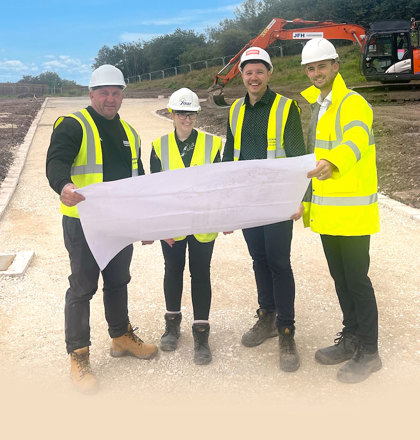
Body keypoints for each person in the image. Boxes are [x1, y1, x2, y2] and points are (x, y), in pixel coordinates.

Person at [46, 64, 158, 393]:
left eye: (116, 92)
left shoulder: (130, 133)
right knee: (82, 289)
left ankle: (121, 336)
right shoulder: (73, 125)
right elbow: (56, 161)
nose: (111, 98)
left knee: (118, 281)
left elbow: (137, 183)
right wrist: (63, 185)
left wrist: (144, 221)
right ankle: (78, 355)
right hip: (83, 223)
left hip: (118, 223)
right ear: (91, 94)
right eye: (104, 92)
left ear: (123, 95)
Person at [300, 38, 381, 383]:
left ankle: (370, 352)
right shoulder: (319, 107)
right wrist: (305, 202)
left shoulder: (352, 102)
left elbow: (356, 138)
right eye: (311, 68)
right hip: (329, 214)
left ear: (336, 66)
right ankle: (351, 338)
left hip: (354, 213)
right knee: (341, 280)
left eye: (322, 66)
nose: (316, 73)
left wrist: (334, 161)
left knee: (357, 282)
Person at [222, 47, 306, 372]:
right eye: (248, 72)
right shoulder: (235, 110)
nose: (254, 77)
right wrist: (228, 198)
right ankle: (267, 316)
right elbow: (230, 156)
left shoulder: (286, 107)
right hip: (249, 200)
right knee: (258, 259)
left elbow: (297, 155)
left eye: (259, 71)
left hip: (278, 200)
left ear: (269, 74)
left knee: (279, 262)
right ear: (241, 76)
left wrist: (298, 197)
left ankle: (286, 330)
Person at [150, 88, 222, 365]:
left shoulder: (212, 144)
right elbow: (155, 190)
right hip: (173, 224)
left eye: (191, 113)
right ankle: (172, 325)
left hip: (204, 222)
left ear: (197, 114)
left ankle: (201, 332)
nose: (187, 119)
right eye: (181, 113)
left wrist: (224, 217)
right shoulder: (159, 146)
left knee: (201, 274)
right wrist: (160, 227)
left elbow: (220, 185)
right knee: (173, 271)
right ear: (172, 114)